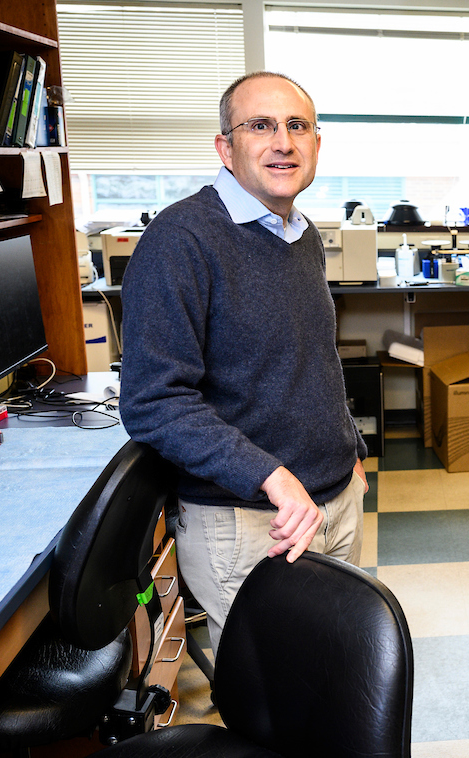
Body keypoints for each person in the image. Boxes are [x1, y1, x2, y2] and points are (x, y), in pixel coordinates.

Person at [120, 71, 368, 654]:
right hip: (251, 520)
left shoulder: (298, 232)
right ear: (225, 148)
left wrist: (349, 447)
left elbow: (309, 358)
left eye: (297, 125)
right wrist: (274, 478)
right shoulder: (180, 240)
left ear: (316, 144)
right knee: (281, 699)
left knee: (332, 671)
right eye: (260, 125)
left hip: (332, 500)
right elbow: (155, 402)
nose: (283, 141)